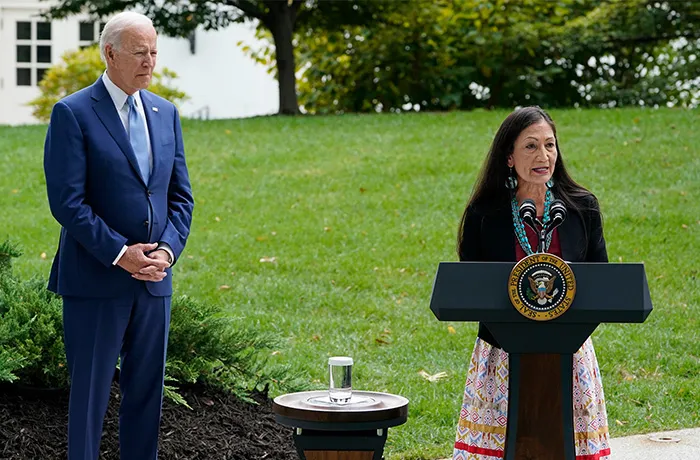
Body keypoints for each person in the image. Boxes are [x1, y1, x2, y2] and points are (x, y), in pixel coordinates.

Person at [43, 11, 194, 460]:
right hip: (95, 281)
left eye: (153, 52)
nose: (149, 62)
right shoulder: (72, 112)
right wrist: (120, 253)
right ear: (109, 53)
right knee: (89, 402)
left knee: (147, 397)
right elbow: (67, 203)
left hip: (154, 282)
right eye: (139, 52)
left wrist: (166, 250)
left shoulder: (165, 113)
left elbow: (181, 197)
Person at [452, 106, 610, 460]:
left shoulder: (582, 207)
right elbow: (470, 283)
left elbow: (602, 280)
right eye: (530, 146)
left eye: (550, 145)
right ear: (508, 156)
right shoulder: (484, 214)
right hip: (503, 350)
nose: (544, 156)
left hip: (569, 349)